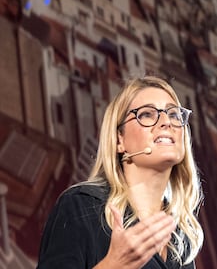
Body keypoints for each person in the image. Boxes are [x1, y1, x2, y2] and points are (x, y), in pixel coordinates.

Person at [37, 76, 204, 269]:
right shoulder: (80, 207)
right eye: (147, 114)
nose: (166, 121)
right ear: (119, 140)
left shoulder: (182, 238)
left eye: (174, 114)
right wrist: (113, 265)